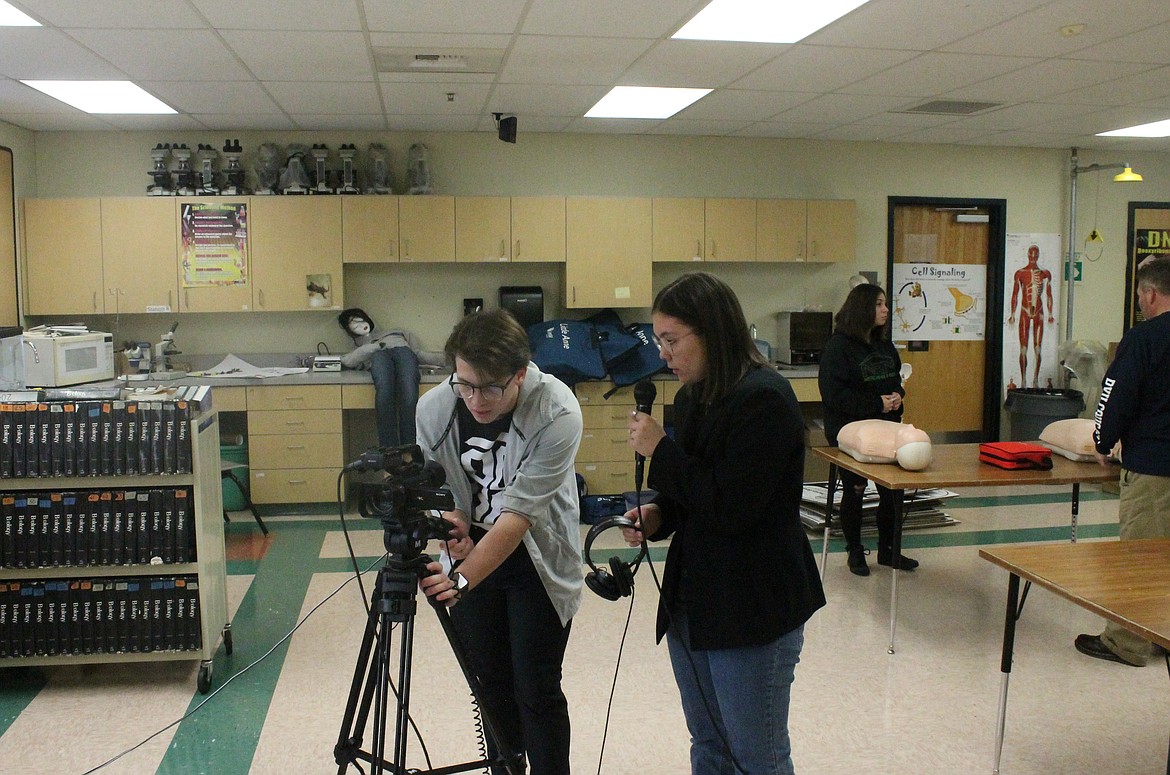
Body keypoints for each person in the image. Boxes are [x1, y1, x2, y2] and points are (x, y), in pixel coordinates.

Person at [623, 271, 825, 775]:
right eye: (658, 340)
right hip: (696, 599)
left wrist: (660, 451)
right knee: (709, 743)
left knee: (757, 755)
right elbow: (691, 491)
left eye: (671, 340)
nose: (663, 354)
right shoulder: (694, 395)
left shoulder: (764, 399)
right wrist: (659, 514)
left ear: (711, 331)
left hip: (753, 605)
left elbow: (732, 507)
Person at [416, 309, 583, 774]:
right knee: (489, 685)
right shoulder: (436, 408)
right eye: (464, 384)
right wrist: (454, 527)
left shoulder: (557, 410)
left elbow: (517, 519)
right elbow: (444, 490)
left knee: (535, 688)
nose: (476, 399)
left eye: (491, 386)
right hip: (472, 558)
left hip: (536, 557)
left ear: (520, 374)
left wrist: (462, 581)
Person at [1075, 256, 1170, 667]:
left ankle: (1127, 643)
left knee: (1140, 557)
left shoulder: (1143, 338)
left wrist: (1102, 440)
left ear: (1149, 294)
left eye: (1140, 296)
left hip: (1152, 466)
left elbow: (1115, 395)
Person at [818, 282, 918, 576]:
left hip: (885, 424)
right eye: (879, 304)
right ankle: (855, 551)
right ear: (863, 309)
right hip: (850, 427)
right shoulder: (838, 347)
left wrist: (898, 396)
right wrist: (877, 404)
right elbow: (835, 396)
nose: (886, 310)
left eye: (885, 304)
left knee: (892, 491)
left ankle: (889, 550)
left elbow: (894, 379)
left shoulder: (883, 343)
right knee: (856, 488)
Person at [337, 307, 444, 448]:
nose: (359, 324)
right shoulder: (362, 347)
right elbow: (347, 361)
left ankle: (409, 450)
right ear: (350, 331)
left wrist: (448, 359)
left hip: (403, 353)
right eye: (353, 325)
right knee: (384, 394)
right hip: (379, 356)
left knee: (409, 396)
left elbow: (416, 353)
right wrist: (374, 346)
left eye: (360, 320)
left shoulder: (396, 332)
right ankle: (389, 453)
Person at [1007, 244, 1055, 388]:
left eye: (1036, 255)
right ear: (1028, 255)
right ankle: (1023, 381)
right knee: (1023, 348)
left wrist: (1051, 313)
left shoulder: (1045, 273)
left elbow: (1048, 294)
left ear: (1038, 255)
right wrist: (1012, 314)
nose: (1033, 258)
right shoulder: (1020, 273)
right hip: (1024, 311)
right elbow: (1015, 294)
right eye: (1031, 255)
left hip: (1039, 312)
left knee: (1038, 348)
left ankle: (1035, 380)